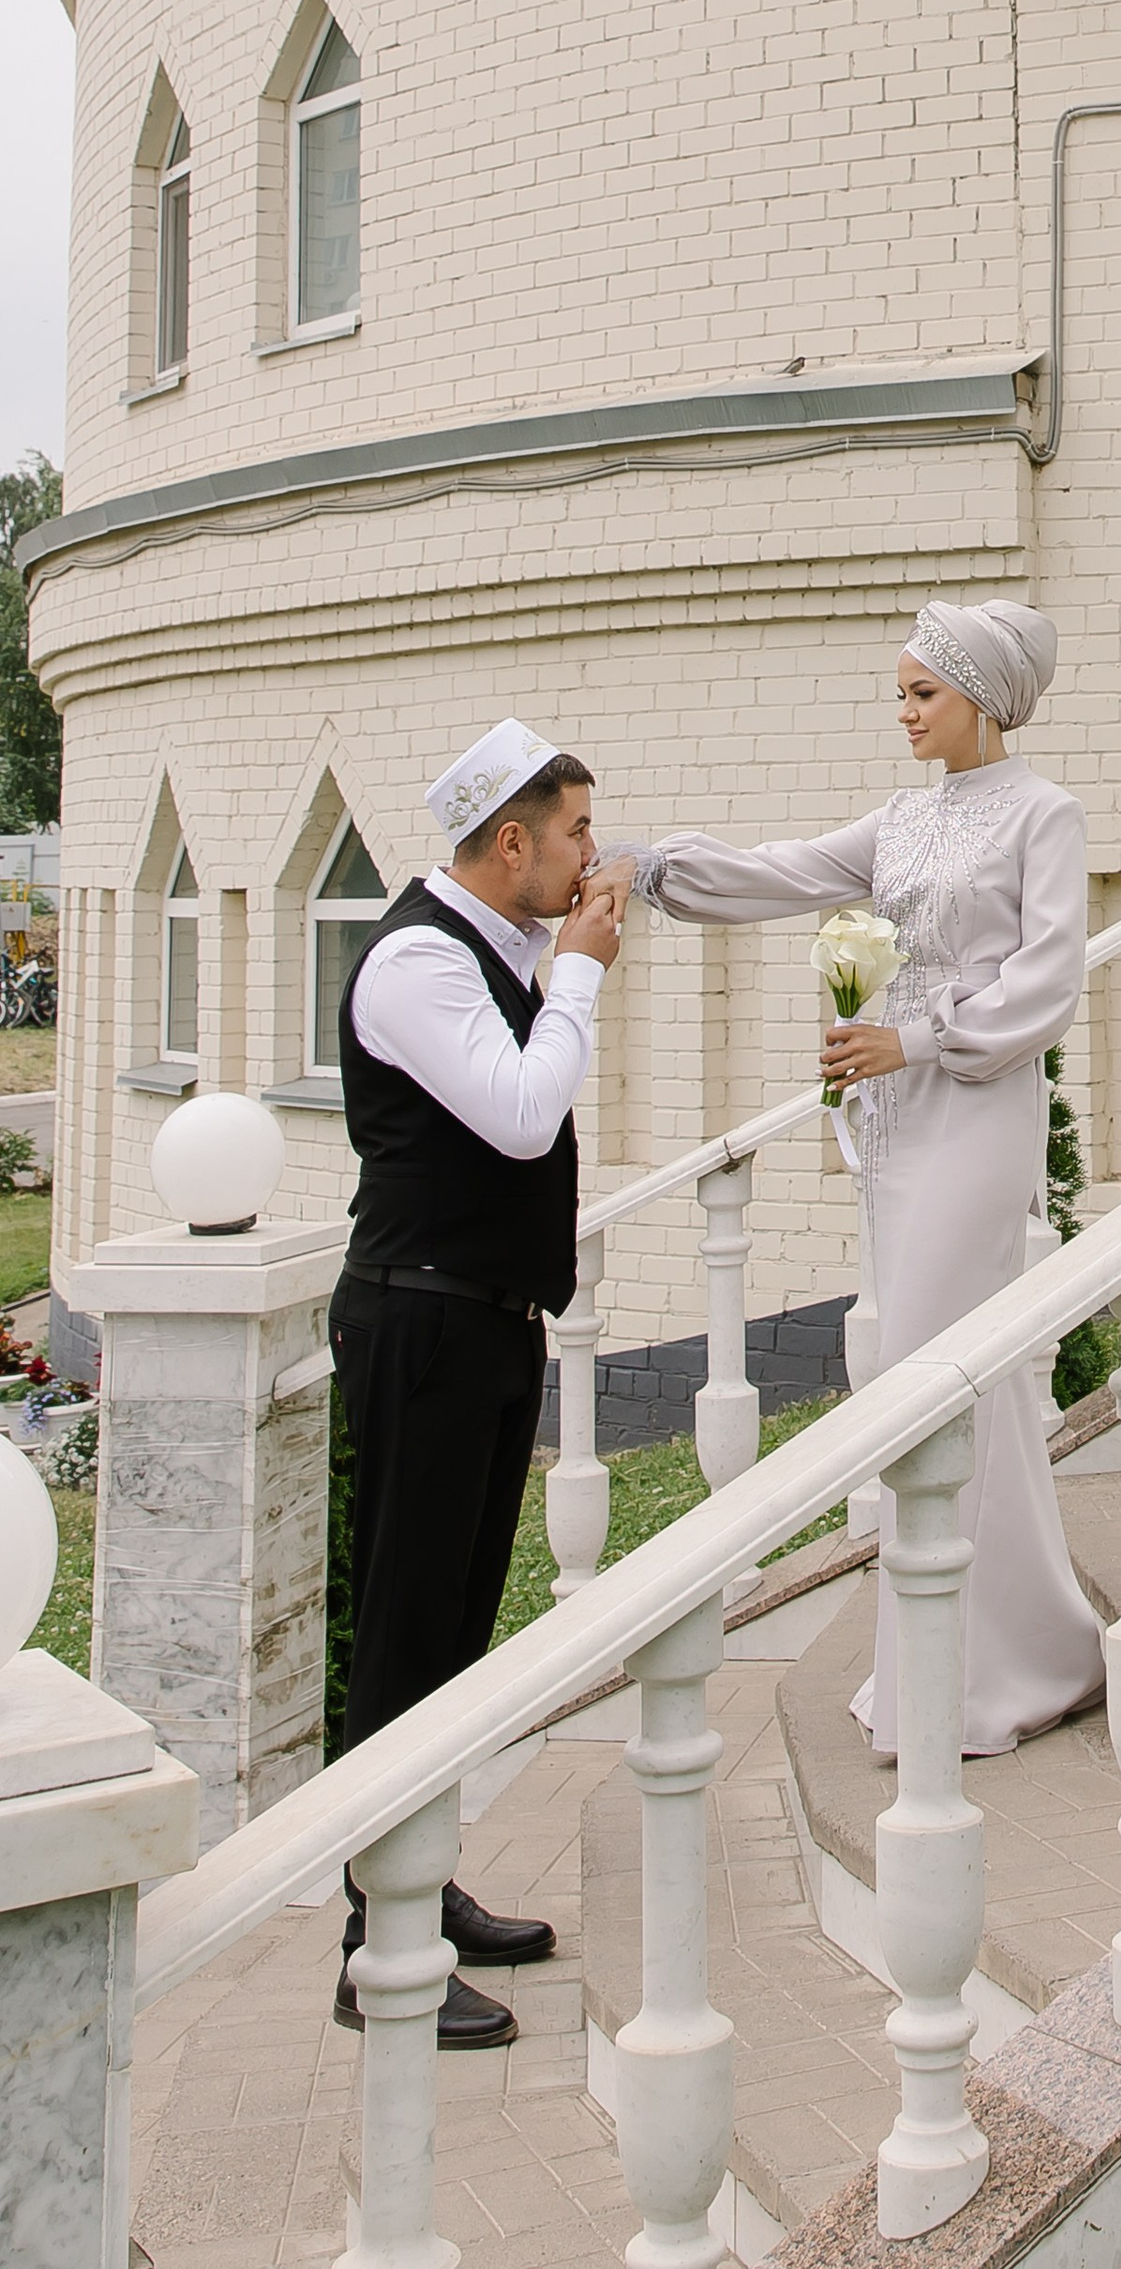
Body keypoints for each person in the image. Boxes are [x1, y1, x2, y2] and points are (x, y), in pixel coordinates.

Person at [637, 599, 1105, 1757]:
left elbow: (1051, 980)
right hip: (895, 1121)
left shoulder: (1043, 815)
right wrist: (643, 869)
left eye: (921, 693)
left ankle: (975, 1674)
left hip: (977, 1107)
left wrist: (919, 1038)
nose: (903, 713)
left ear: (983, 699)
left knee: (925, 1376)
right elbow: (781, 874)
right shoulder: (900, 822)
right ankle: (1017, 1652)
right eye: (899, 693)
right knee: (971, 1385)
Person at [330, 719, 628, 2045]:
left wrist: (568, 957)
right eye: (573, 832)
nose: (588, 854)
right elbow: (519, 1112)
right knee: (406, 1633)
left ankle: (422, 1886)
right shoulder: (415, 961)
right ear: (510, 842)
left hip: (486, 1325)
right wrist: (582, 977)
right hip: (421, 1325)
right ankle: (374, 1950)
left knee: (452, 1639)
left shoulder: (495, 950)